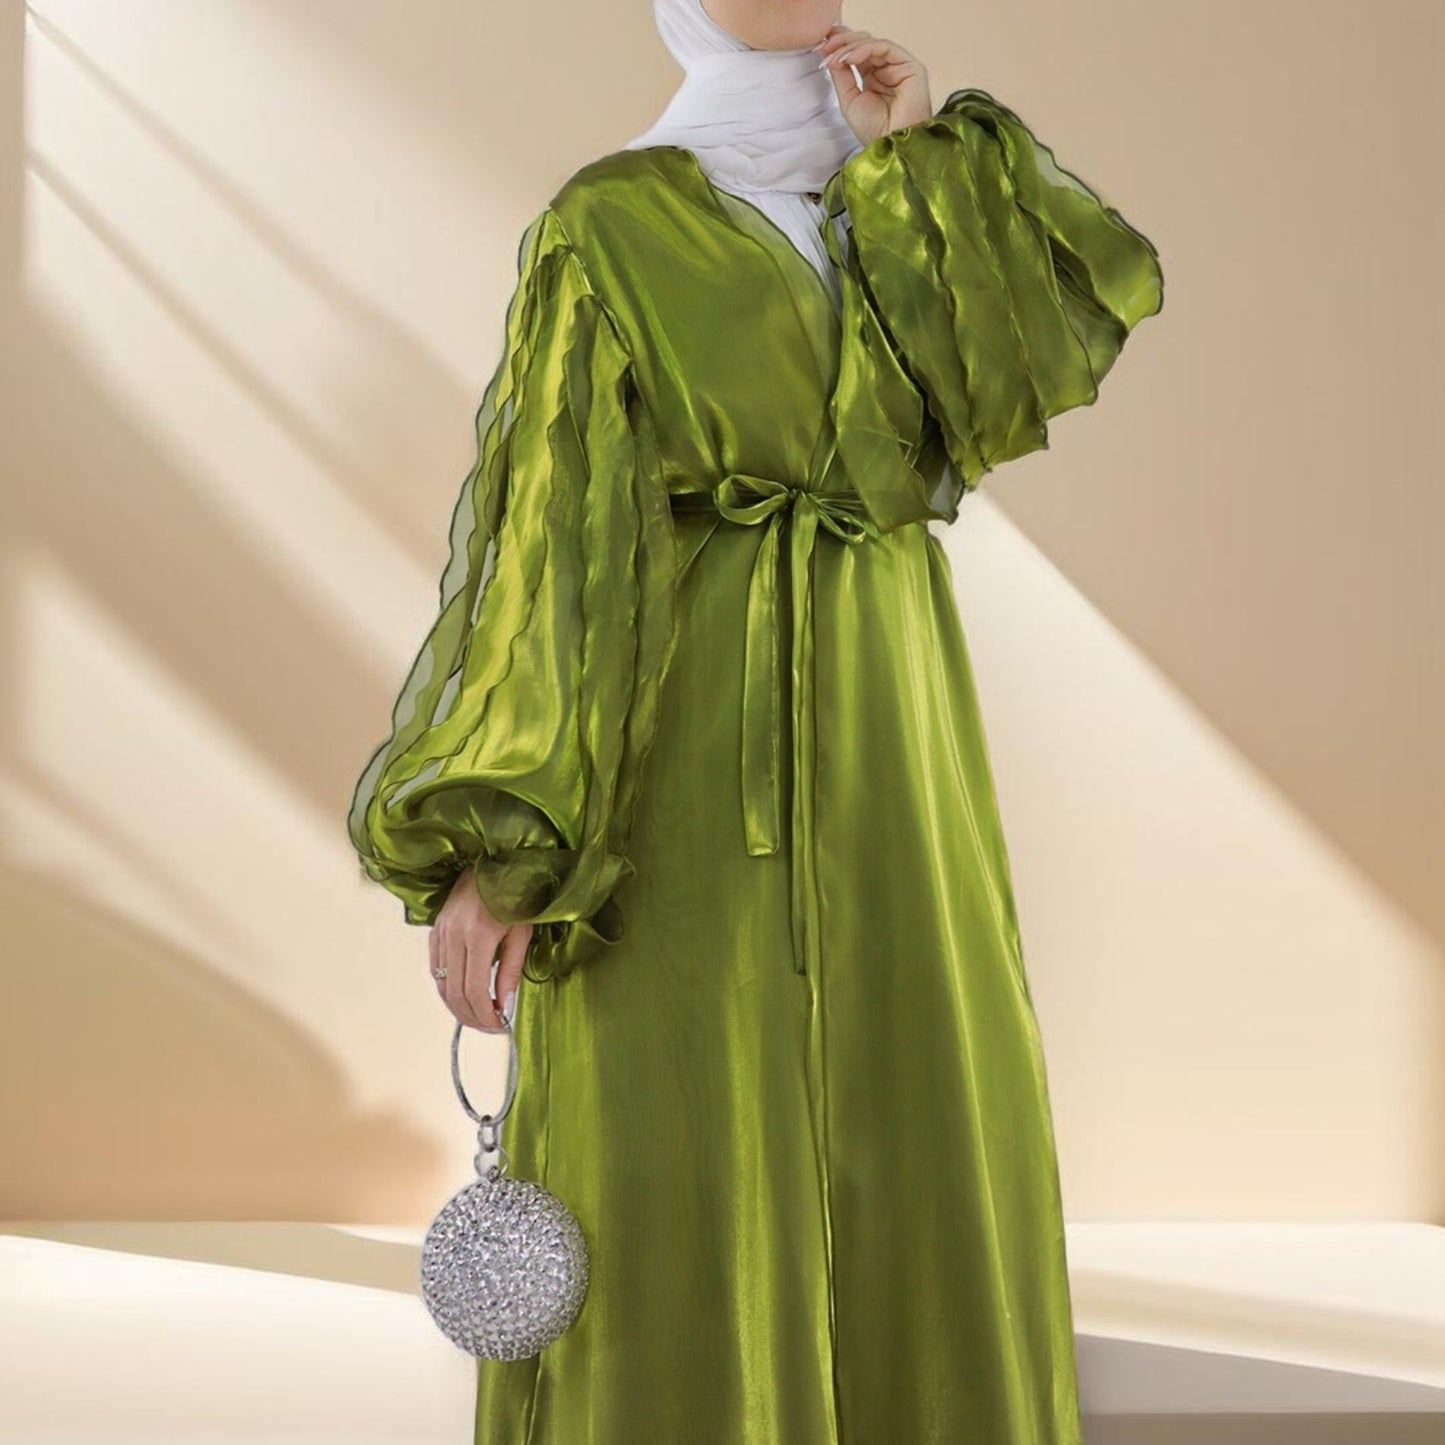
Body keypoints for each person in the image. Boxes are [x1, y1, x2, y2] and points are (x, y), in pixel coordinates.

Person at [346, 0, 1164, 1439]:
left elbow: (998, 390)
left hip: (891, 731)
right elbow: (554, 547)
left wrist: (909, 155)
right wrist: (505, 848)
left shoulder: (906, 198)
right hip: (684, 751)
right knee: (680, 1121)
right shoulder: (607, 225)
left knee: (915, 1105)